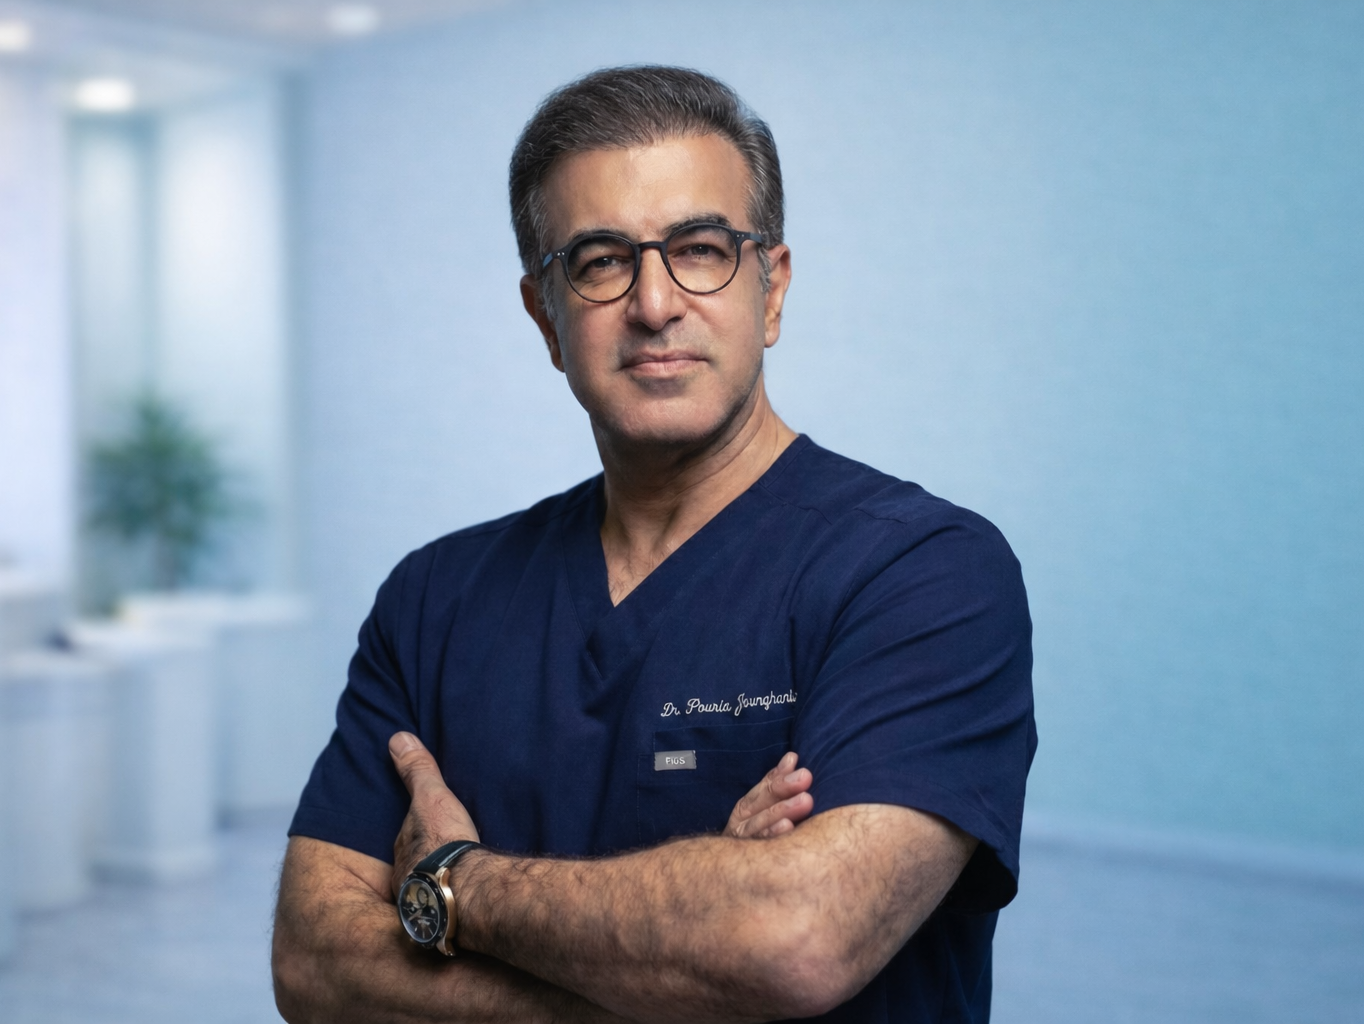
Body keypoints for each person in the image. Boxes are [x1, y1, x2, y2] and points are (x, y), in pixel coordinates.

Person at [273, 65, 1035, 1023]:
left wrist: (453, 886)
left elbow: (794, 940)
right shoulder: (434, 599)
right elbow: (315, 963)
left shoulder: (923, 574)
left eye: (702, 248)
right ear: (544, 317)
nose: (654, 303)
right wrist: (677, 970)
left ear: (771, 287)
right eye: (599, 261)